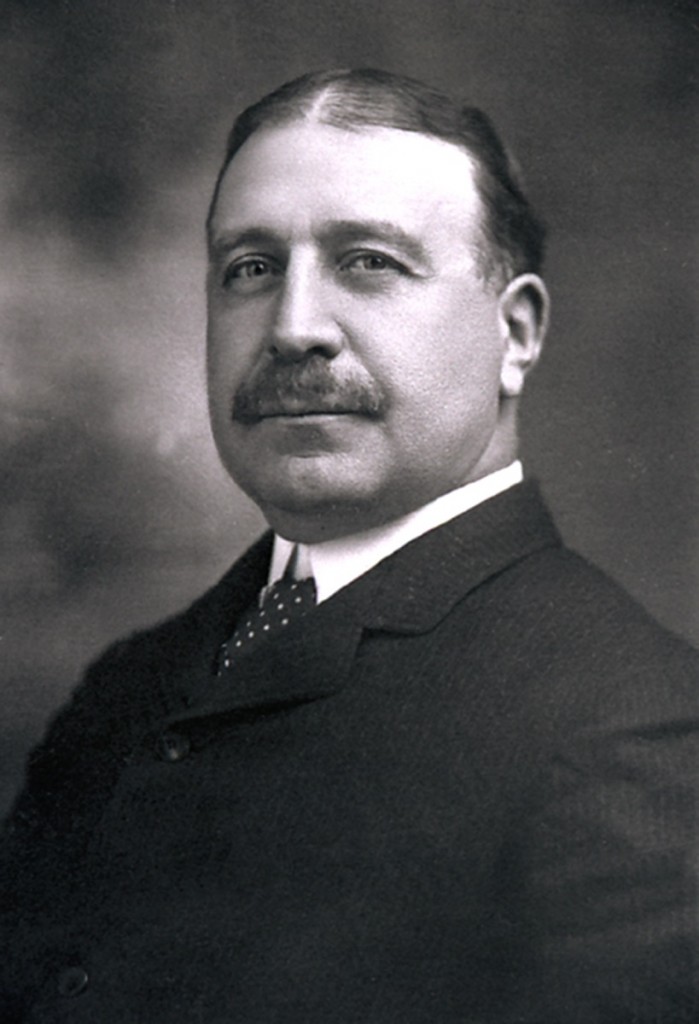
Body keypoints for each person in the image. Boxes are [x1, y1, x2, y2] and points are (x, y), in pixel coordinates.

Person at [1, 68, 697, 1023]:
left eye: (368, 261)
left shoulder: (634, 728)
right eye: (250, 268)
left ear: (517, 333)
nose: (292, 329)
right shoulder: (128, 688)